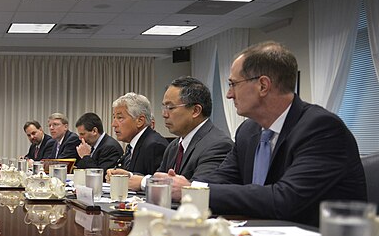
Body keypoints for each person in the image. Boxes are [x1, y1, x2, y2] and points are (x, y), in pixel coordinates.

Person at [157, 41, 366, 225]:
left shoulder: (321, 129)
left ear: (263, 85)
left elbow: (284, 199)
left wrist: (191, 191)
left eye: (233, 84)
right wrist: (187, 187)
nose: (229, 94)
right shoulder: (248, 131)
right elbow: (223, 178)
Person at [109, 77, 233, 192]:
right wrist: (131, 177)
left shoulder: (217, 145)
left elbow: (198, 191)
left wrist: (143, 182)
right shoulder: (174, 146)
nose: (164, 114)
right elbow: (159, 178)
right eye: (164, 107)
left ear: (195, 111)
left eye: (170, 108)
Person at [111, 93, 167, 175]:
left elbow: (157, 183)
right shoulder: (132, 146)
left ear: (140, 121)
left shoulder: (154, 146)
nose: (113, 124)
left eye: (120, 118)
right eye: (114, 117)